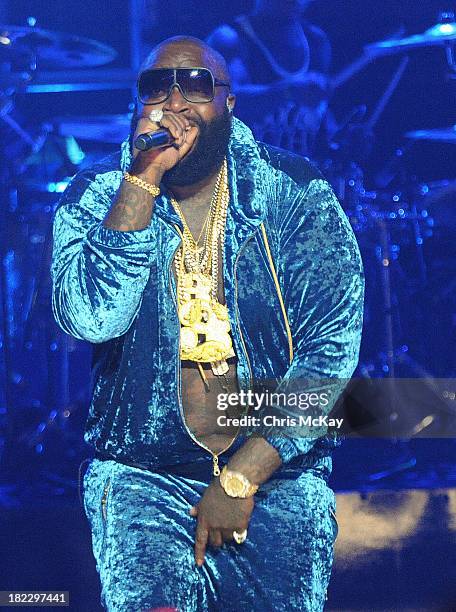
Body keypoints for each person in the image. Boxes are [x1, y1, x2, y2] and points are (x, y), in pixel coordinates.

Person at [51, 35, 364, 612]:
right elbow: (92, 319)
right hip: (142, 476)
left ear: (229, 102)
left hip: (277, 470)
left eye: (196, 84)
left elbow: (330, 352)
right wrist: (143, 177)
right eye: (156, 87)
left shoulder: (292, 194)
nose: (175, 100)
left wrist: (244, 475)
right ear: (137, 103)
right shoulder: (98, 196)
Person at [207, 0, 332, 157]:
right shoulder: (230, 38)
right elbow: (222, 105)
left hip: (297, 176)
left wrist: (341, 140)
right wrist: (287, 91)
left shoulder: (316, 41)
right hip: (243, 173)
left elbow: (318, 116)